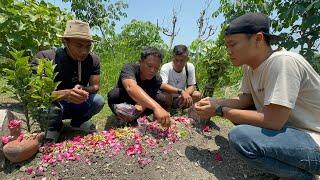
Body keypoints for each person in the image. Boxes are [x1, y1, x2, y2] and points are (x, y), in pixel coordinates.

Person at [194, 12, 320, 179]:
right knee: (241, 116)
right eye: (227, 46)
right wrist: (214, 102)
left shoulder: (283, 62)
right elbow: (245, 100)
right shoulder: (250, 67)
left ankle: (301, 177)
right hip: (293, 134)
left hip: (314, 139)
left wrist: (219, 110)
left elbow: (273, 121)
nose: (229, 51)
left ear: (258, 39)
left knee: (241, 137)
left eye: (233, 44)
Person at [34, 20, 105, 142]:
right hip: (55, 104)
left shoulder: (93, 60)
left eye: (88, 46)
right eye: (79, 45)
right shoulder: (45, 58)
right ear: (65, 41)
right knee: (45, 108)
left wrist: (84, 89)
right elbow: (36, 95)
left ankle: (77, 122)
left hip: (78, 103)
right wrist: (64, 94)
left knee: (98, 101)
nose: (84, 51)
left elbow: (95, 86)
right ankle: (54, 126)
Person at [107, 47, 188, 127]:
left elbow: (151, 96)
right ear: (140, 62)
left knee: (162, 98)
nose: (152, 70)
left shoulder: (156, 78)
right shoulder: (129, 68)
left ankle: (139, 119)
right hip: (124, 101)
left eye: (156, 68)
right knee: (114, 94)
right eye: (149, 66)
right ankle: (121, 117)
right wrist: (156, 107)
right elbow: (131, 87)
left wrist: (138, 111)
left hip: (141, 106)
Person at [160, 45, 202, 109]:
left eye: (182, 60)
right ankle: (167, 111)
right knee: (166, 96)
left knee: (197, 95)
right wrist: (181, 92)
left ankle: (190, 111)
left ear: (187, 59)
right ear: (172, 57)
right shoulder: (166, 67)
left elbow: (192, 86)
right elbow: (162, 85)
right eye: (176, 60)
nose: (178, 63)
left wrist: (185, 93)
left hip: (182, 98)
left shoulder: (190, 67)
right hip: (169, 98)